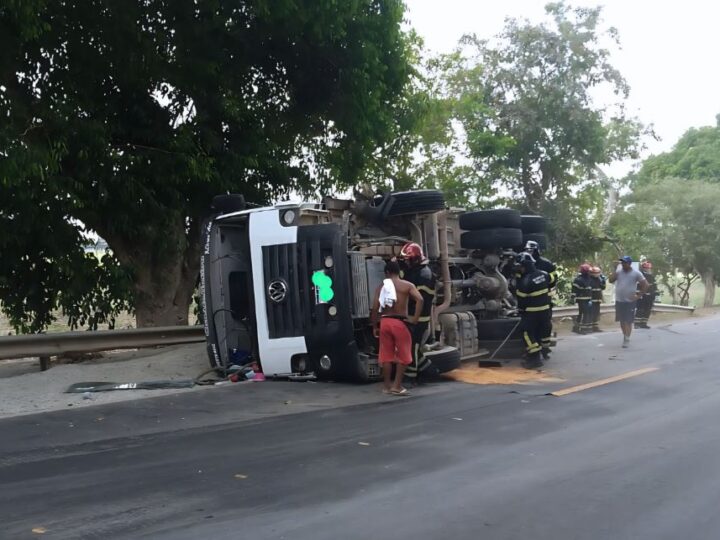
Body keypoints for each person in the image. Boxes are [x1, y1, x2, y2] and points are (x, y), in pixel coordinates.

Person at [370, 260, 424, 395]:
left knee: (386, 355)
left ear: (387, 273)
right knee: (404, 355)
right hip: (400, 322)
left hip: (385, 322)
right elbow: (420, 299)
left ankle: (387, 387)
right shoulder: (407, 285)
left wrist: (375, 325)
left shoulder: (381, 287)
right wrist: (415, 318)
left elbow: (375, 308)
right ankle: (397, 386)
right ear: (399, 272)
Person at [398, 242, 437, 382]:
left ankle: (410, 375)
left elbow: (418, 299)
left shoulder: (423, 275)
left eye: (407, 260)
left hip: (418, 318)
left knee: (412, 346)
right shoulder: (419, 271)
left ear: (414, 259)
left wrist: (412, 317)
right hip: (414, 316)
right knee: (413, 345)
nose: (406, 262)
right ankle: (430, 370)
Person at [515, 252, 552, 369]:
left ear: (524, 266)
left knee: (526, 332)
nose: (519, 269)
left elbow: (521, 301)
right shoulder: (545, 274)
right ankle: (544, 351)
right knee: (541, 331)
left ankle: (534, 358)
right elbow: (552, 282)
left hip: (532, 312)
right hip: (546, 310)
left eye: (520, 266)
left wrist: (520, 310)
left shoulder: (525, 281)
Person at [524, 240, 557, 357]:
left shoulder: (546, 264)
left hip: (544, 298)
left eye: (531, 250)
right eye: (528, 250)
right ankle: (537, 349)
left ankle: (544, 349)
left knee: (545, 327)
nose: (529, 252)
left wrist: (543, 285)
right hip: (531, 300)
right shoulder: (524, 262)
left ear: (537, 250)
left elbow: (554, 278)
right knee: (534, 328)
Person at [608, 256, 648, 348]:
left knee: (628, 321)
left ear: (629, 264)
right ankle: (625, 336)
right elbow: (610, 280)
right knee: (622, 321)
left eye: (625, 263)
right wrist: (615, 269)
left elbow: (645, 285)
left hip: (630, 301)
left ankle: (627, 338)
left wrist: (638, 296)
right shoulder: (619, 272)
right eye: (622, 263)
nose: (623, 264)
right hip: (619, 300)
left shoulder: (636, 273)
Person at [572, 264, 594, 334]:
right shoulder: (578, 280)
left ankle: (581, 328)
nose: (589, 273)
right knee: (583, 314)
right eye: (588, 271)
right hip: (581, 299)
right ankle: (581, 329)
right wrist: (573, 297)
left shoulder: (589, 279)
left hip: (588, 299)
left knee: (587, 313)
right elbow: (574, 290)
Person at [635, 261, 656, 329]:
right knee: (640, 309)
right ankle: (637, 324)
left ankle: (644, 323)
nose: (648, 269)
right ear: (643, 268)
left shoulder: (651, 276)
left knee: (647, 310)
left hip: (650, 296)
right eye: (647, 268)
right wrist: (639, 294)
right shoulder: (640, 275)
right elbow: (637, 286)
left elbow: (654, 286)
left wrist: (654, 294)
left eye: (649, 268)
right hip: (642, 296)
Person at [589, 266, 607, 332]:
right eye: (595, 273)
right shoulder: (590, 279)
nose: (596, 274)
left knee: (596, 314)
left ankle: (595, 327)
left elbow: (603, 287)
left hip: (598, 299)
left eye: (597, 273)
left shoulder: (600, 279)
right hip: (591, 299)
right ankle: (590, 327)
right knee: (591, 313)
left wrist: (603, 281)